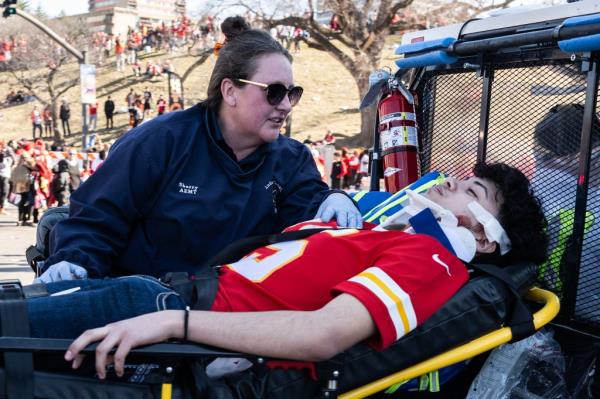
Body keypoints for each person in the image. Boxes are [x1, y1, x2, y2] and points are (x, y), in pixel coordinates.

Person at [23, 162, 547, 380]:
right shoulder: (393, 235)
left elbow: (323, 334)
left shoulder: (431, 261)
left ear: (481, 236)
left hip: (165, 318)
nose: (452, 183)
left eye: (470, 191)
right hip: (156, 296)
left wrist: (171, 323)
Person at [38, 16, 360, 284]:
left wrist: (332, 198)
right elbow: (96, 218)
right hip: (149, 312)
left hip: (238, 321)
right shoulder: (159, 143)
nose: (287, 105)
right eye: (275, 92)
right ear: (230, 91)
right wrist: (73, 263)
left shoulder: (291, 159)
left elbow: (307, 223)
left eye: (293, 93)